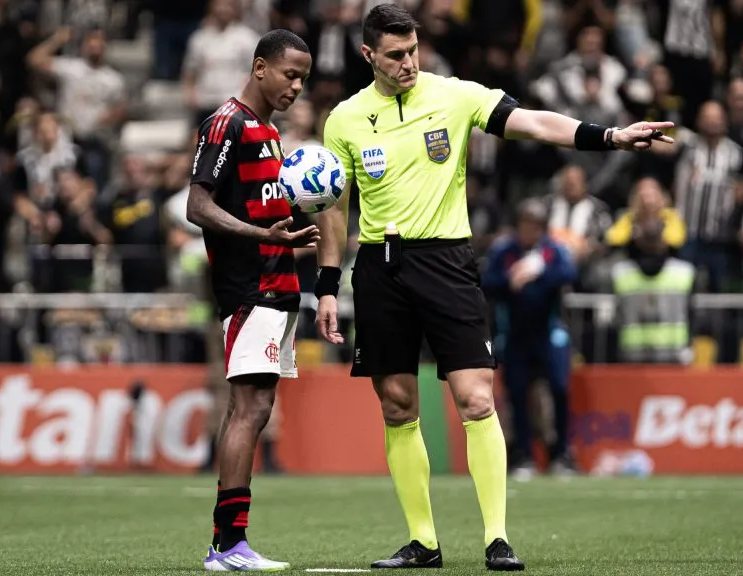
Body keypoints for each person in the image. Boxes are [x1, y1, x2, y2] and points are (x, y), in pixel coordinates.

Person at [313, 4, 674, 571]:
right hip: (380, 268)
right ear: (368, 55)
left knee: (477, 399)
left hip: (446, 259)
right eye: (395, 55)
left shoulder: (455, 95)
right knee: (398, 404)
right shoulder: (344, 120)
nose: (409, 63)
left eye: (413, 51)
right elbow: (334, 210)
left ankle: (497, 539)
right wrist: (327, 286)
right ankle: (423, 542)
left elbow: (534, 122)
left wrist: (608, 136)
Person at [185, 28, 317, 572]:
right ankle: (228, 545)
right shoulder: (227, 122)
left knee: (253, 408)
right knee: (250, 408)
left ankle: (228, 543)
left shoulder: (269, 131)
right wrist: (264, 236)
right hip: (249, 288)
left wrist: (294, 227)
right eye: (290, 74)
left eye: (303, 79)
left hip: (278, 285)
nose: (297, 87)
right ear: (260, 67)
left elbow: (264, 207)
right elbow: (197, 206)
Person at [482, 198, 578, 480]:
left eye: (535, 225)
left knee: (559, 388)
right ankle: (523, 455)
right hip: (515, 334)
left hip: (549, 332)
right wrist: (512, 280)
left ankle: (561, 454)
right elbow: (488, 282)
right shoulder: (505, 251)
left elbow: (569, 273)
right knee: (517, 393)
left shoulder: (552, 250)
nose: (530, 230)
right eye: (526, 224)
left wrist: (539, 272)